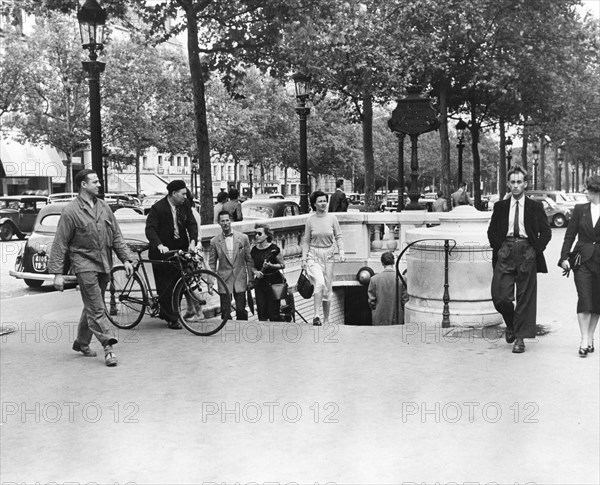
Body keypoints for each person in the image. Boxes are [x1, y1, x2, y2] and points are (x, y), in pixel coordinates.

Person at [48, 169, 134, 367]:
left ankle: (81, 342)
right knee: (97, 307)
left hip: (104, 262)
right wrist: (57, 274)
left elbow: (117, 236)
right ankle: (108, 348)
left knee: (92, 305)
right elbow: (60, 243)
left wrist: (126, 259)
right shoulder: (70, 211)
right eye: (95, 182)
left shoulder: (103, 207)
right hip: (83, 263)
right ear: (83, 185)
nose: (99, 185)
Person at [487, 165, 552, 353]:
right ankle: (511, 325)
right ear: (508, 184)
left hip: (527, 251)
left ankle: (520, 339)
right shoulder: (500, 207)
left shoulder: (535, 206)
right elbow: (491, 231)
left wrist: (535, 249)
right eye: (512, 182)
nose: (515, 186)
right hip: (505, 251)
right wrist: (498, 248)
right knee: (500, 297)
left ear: (525, 184)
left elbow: (546, 232)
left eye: (519, 182)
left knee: (525, 297)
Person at [145, 179, 198, 329]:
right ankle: (171, 318)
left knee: (180, 282)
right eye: (182, 194)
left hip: (180, 249)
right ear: (174, 194)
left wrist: (193, 241)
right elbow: (150, 229)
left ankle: (170, 312)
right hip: (162, 252)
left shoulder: (185, 205)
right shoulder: (158, 208)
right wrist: (159, 245)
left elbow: (191, 223)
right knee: (166, 286)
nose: (185, 197)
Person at [559, 175, 600, 357]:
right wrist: (564, 257)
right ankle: (583, 339)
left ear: (595, 190)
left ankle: (591, 336)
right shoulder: (579, 209)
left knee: (597, 301)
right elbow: (570, 234)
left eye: (587, 190)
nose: (585, 192)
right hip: (581, 260)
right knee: (584, 299)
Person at [301, 190, 346, 326]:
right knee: (319, 283)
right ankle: (316, 315)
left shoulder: (332, 218)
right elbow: (306, 240)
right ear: (314, 204)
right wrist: (304, 259)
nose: (323, 203)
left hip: (329, 256)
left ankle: (326, 320)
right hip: (313, 255)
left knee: (327, 289)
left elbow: (339, 236)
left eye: (325, 200)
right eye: (320, 201)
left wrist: (342, 252)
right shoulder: (310, 220)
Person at [209, 210, 255, 321]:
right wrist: (210, 282)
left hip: (240, 278)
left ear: (231, 221)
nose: (225, 223)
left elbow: (249, 260)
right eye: (222, 221)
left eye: (227, 220)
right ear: (219, 223)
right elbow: (212, 263)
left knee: (241, 310)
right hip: (224, 279)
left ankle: (242, 332)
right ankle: (227, 333)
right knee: (225, 312)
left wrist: (251, 279)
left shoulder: (243, 238)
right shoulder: (214, 241)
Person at [251, 223, 286, 321]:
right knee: (261, 313)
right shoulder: (254, 250)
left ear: (266, 235)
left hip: (274, 282)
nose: (256, 236)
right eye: (255, 234)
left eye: (259, 233)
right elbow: (251, 266)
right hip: (260, 283)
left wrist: (271, 266)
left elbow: (283, 265)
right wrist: (256, 272)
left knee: (273, 313)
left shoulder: (274, 248)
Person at [368, 251, 408, 325]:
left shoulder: (374, 279)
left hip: (379, 318)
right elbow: (405, 300)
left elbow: (371, 301)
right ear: (394, 262)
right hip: (397, 317)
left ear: (382, 263)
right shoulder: (402, 279)